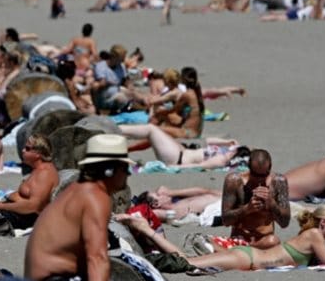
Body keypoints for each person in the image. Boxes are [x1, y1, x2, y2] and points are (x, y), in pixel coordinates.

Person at [24, 134, 169, 281]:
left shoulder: (78, 190)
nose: (128, 174)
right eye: (124, 168)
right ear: (109, 170)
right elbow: (97, 258)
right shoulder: (96, 197)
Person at [187, 205, 325, 271]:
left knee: (189, 263)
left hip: (249, 257)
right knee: (188, 264)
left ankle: (208, 246)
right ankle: (206, 244)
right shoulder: (314, 234)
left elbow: (322, 261)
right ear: (323, 223)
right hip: (248, 259)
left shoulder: (310, 235)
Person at [220, 149, 290, 250]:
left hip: (265, 242)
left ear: (269, 168)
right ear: (249, 167)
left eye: (263, 175)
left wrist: (272, 204)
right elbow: (226, 220)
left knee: (273, 241)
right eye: (255, 175)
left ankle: (249, 249)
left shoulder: (278, 182)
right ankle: (245, 250)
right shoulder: (234, 181)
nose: (259, 179)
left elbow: (284, 223)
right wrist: (247, 209)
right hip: (239, 240)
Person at [120, 123, 248, 169]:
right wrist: (226, 142)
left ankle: (115, 129)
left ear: (235, 156)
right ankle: (118, 131)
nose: (231, 150)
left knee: (151, 130)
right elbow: (208, 141)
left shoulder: (221, 160)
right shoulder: (224, 152)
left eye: (233, 151)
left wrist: (173, 167)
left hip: (177, 158)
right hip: (180, 151)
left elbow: (199, 166)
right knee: (155, 131)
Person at [153, 67, 204, 139]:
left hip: (188, 132)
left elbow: (173, 110)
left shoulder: (187, 95)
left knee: (155, 129)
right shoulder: (196, 92)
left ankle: (142, 135)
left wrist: (159, 111)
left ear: (183, 79)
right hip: (196, 132)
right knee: (162, 117)